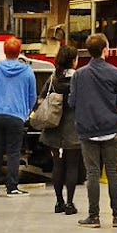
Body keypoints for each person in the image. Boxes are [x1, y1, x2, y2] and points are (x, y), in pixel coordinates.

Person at [69, 33, 117, 228]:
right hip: (110, 129)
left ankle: (93, 216)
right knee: (112, 171)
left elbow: (72, 102)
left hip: (87, 130)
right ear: (105, 50)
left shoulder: (79, 74)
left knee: (92, 173)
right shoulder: (115, 73)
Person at [0, 37, 36, 196]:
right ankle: (12, 187)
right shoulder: (27, 72)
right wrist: (25, 112)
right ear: (19, 52)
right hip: (16, 115)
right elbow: (32, 97)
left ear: (4, 51)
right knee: (13, 152)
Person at [38, 45, 81, 215]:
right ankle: (70, 203)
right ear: (72, 61)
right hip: (74, 127)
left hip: (53, 127)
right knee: (72, 166)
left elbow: (41, 98)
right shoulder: (78, 79)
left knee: (57, 165)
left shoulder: (53, 78)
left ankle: (58, 202)